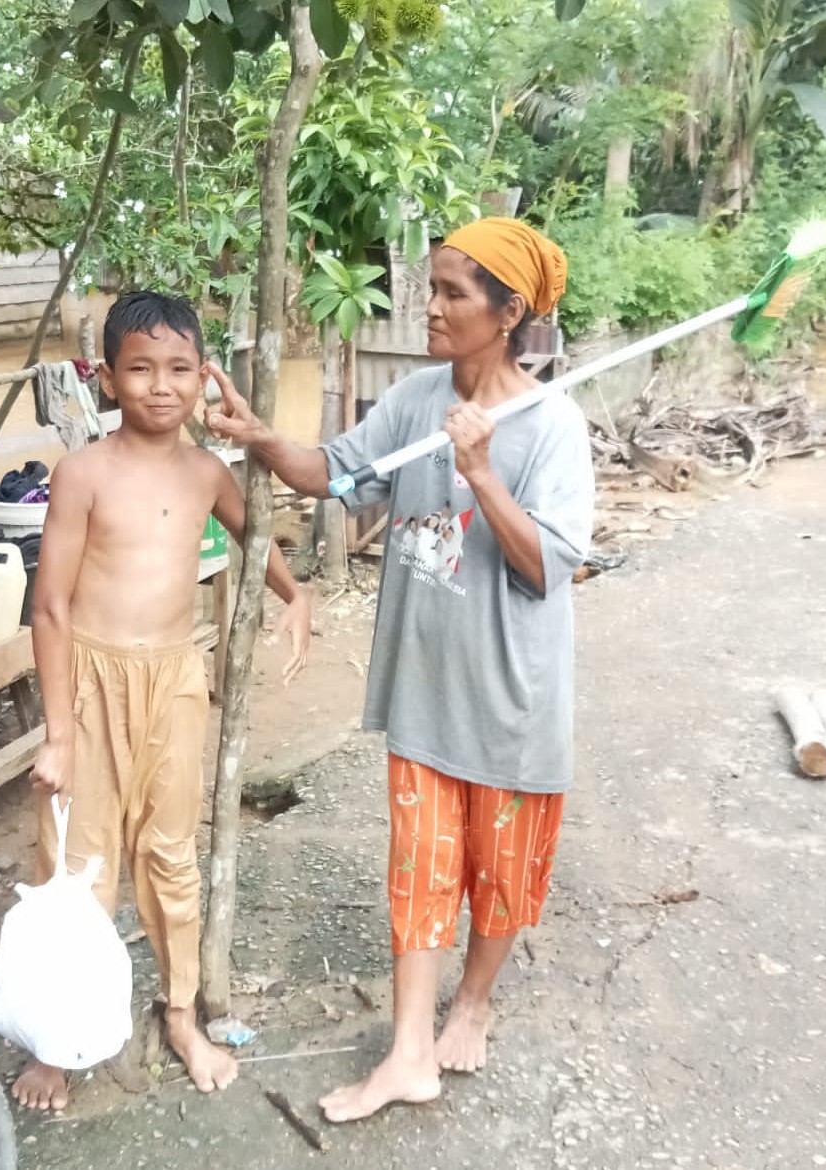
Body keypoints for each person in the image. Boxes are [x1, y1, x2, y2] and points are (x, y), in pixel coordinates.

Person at [208, 216, 593, 1123]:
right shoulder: (416, 400)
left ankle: (475, 1001)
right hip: (423, 691)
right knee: (419, 875)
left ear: (509, 313)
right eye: (434, 286)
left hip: (511, 701)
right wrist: (260, 437)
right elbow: (333, 474)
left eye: (455, 293)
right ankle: (408, 1050)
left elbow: (548, 568)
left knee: (501, 879)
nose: (433, 306)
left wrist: (482, 472)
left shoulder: (554, 428)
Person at [14, 291, 313, 1112]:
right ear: (107, 379)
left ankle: (180, 1014)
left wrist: (295, 596)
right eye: (140, 368)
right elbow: (50, 608)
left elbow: (255, 538)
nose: (160, 386)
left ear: (203, 378)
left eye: (179, 368)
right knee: (76, 865)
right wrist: (59, 733)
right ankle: (58, 1041)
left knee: (173, 857)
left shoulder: (206, 471)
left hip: (176, 682)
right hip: (92, 682)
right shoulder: (83, 474)